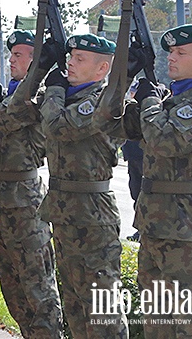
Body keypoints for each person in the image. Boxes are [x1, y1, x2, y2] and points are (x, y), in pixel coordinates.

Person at [126, 22, 192, 337]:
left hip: (191, 240)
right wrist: (128, 76)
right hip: (155, 233)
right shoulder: (165, 104)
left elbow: (163, 140)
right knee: (157, 329)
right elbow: (111, 121)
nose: (171, 58)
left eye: (181, 52)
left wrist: (149, 100)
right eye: (170, 51)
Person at [0, 30, 63, 338]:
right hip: (0, 198)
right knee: (11, 284)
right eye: (11, 54)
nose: (12, 59)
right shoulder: (11, 92)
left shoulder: (38, 97)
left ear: (36, 61)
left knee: (37, 286)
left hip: (25, 202)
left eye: (20, 55)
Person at [38, 33, 127, 338]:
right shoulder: (68, 96)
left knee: (102, 308)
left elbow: (56, 127)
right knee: (74, 303)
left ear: (102, 69)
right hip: (64, 214)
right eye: (70, 57)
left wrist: (52, 90)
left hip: (93, 217)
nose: (70, 63)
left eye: (79, 59)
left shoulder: (103, 100)